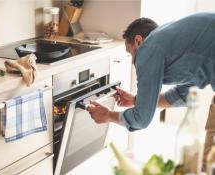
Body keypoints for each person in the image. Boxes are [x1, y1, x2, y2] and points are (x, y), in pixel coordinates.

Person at [87, 12, 215, 170]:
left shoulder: (148, 47)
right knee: (209, 159)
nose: (135, 61)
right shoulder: (176, 44)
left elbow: (142, 119)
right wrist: (136, 100)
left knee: (210, 159)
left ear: (138, 41)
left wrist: (108, 115)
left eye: (131, 53)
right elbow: (182, 96)